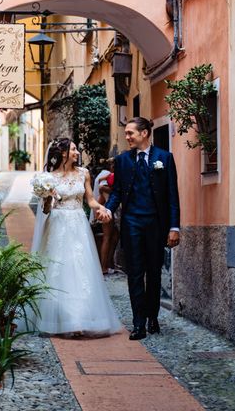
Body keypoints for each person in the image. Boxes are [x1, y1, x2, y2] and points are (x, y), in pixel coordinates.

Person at [29, 138, 121, 337]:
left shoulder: (84, 174)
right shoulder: (49, 177)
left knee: (81, 270)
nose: (77, 152)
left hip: (78, 225)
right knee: (59, 270)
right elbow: (46, 209)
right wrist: (47, 195)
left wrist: (103, 208)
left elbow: (90, 200)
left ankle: (80, 318)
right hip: (58, 226)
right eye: (73, 149)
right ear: (63, 153)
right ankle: (62, 318)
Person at [103, 117, 180, 340]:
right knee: (135, 274)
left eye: (130, 133)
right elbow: (117, 191)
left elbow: (172, 195)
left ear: (144, 133)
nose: (127, 137)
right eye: (126, 133)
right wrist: (108, 210)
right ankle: (138, 324)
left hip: (156, 224)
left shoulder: (164, 158)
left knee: (154, 273)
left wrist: (174, 227)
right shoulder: (123, 160)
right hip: (131, 224)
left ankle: (152, 317)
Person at [96, 158, 119, 274]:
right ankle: (103, 267)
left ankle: (109, 263)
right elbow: (103, 191)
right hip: (106, 210)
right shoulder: (109, 176)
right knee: (107, 237)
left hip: (108, 210)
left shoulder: (105, 176)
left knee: (114, 235)